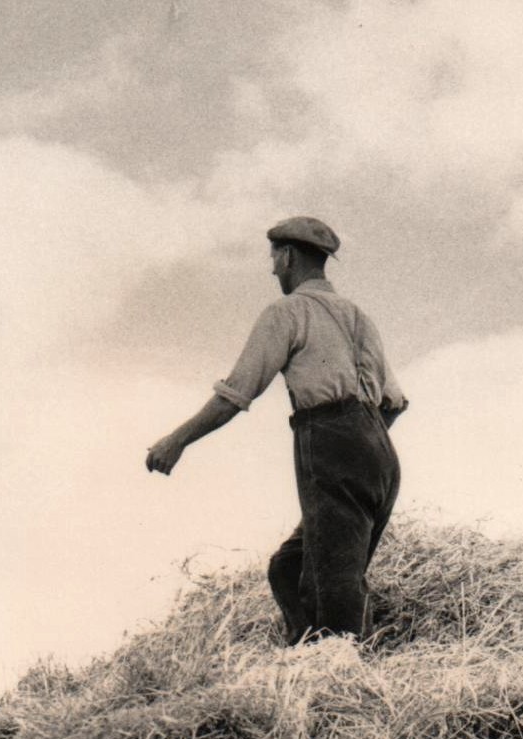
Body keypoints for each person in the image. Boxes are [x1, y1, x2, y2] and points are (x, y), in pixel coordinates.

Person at [146, 216, 407, 644]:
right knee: (289, 567)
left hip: (329, 442)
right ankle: (304, 656)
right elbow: (394, 402)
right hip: (379, 451)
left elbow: (236, 393)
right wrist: (363, 445)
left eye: (273, 259)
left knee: (332, 588)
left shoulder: (286, 313)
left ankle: (339, 669)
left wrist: (177, 441)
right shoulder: (360, 317)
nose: (272, 270)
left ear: (286, 257)